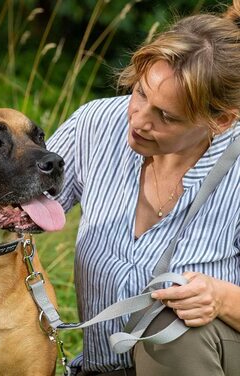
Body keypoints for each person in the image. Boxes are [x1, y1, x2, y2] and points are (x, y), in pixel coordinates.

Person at [46, 1, 240, 375]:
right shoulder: (97, 123)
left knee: (171, 333)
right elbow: (14, 211)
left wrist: (221, 298)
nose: (138, 120)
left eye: (166, 116)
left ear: (221, 120)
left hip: (211, 359)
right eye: (140, 93)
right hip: (101, 367)